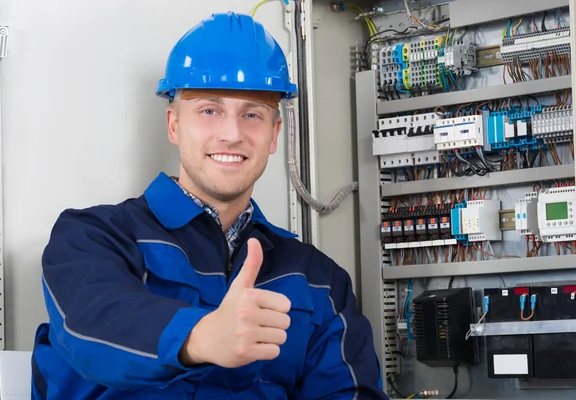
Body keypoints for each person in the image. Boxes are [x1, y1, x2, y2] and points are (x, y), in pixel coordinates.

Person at [31, 11, 389, 400]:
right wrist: (200, 337)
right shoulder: (93, 238)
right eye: (209, 110)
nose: (232, 134)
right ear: (173, 125)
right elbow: (90, 326)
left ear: (274, 135)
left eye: (252, 114)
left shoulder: (318, 280)